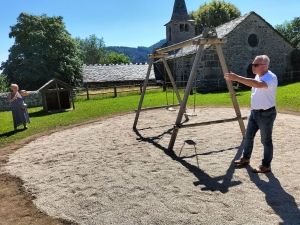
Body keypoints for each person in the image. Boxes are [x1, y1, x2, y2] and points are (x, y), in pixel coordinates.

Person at [224, 55, 277, 173]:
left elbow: (258, 84)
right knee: (248, 137)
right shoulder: (258, 75)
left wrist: (237, 78)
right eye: (253, 64)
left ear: (265, 66)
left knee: (266, 141)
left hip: (266, 114)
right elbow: (254, 83)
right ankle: (246, 158)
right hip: (255, 113)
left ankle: (266, 165)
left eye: (256, 65)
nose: (253, 67)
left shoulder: (271, 77)